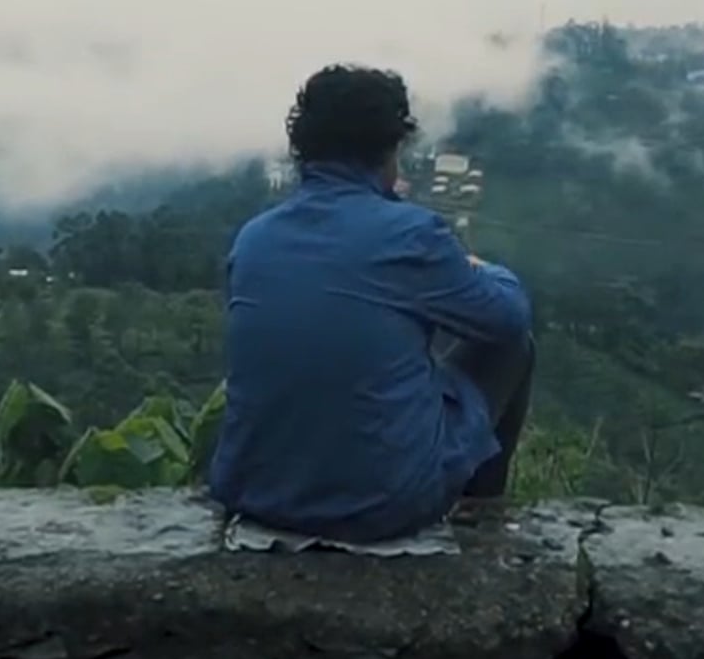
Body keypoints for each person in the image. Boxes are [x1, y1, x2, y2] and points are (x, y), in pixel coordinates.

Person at [209, 64, 535, 543]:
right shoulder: (411, 235)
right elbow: (509, 317)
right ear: (390, 149)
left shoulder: (254, 239)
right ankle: (479, 516)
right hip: (381, 507)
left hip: (254, 494)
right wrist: (478, 268)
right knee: (511, 346)